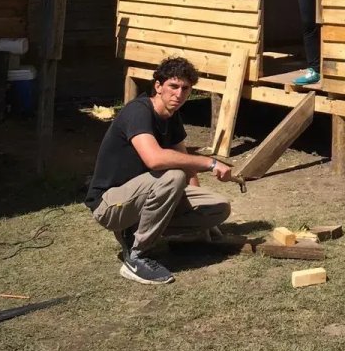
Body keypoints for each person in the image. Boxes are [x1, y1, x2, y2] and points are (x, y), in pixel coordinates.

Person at [84, 57, 233, 285]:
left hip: (141, 195)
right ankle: (137, 257)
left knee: (218, 208)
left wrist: (204, 224)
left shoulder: (172, 117)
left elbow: (187, 164)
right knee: (173, 175)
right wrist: (209, 163)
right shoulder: (138, 111)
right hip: (110, 204)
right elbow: (154, 160)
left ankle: (147, 231)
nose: (179, 94)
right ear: (158, 86)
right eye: (173, 86)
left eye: (185, 89)